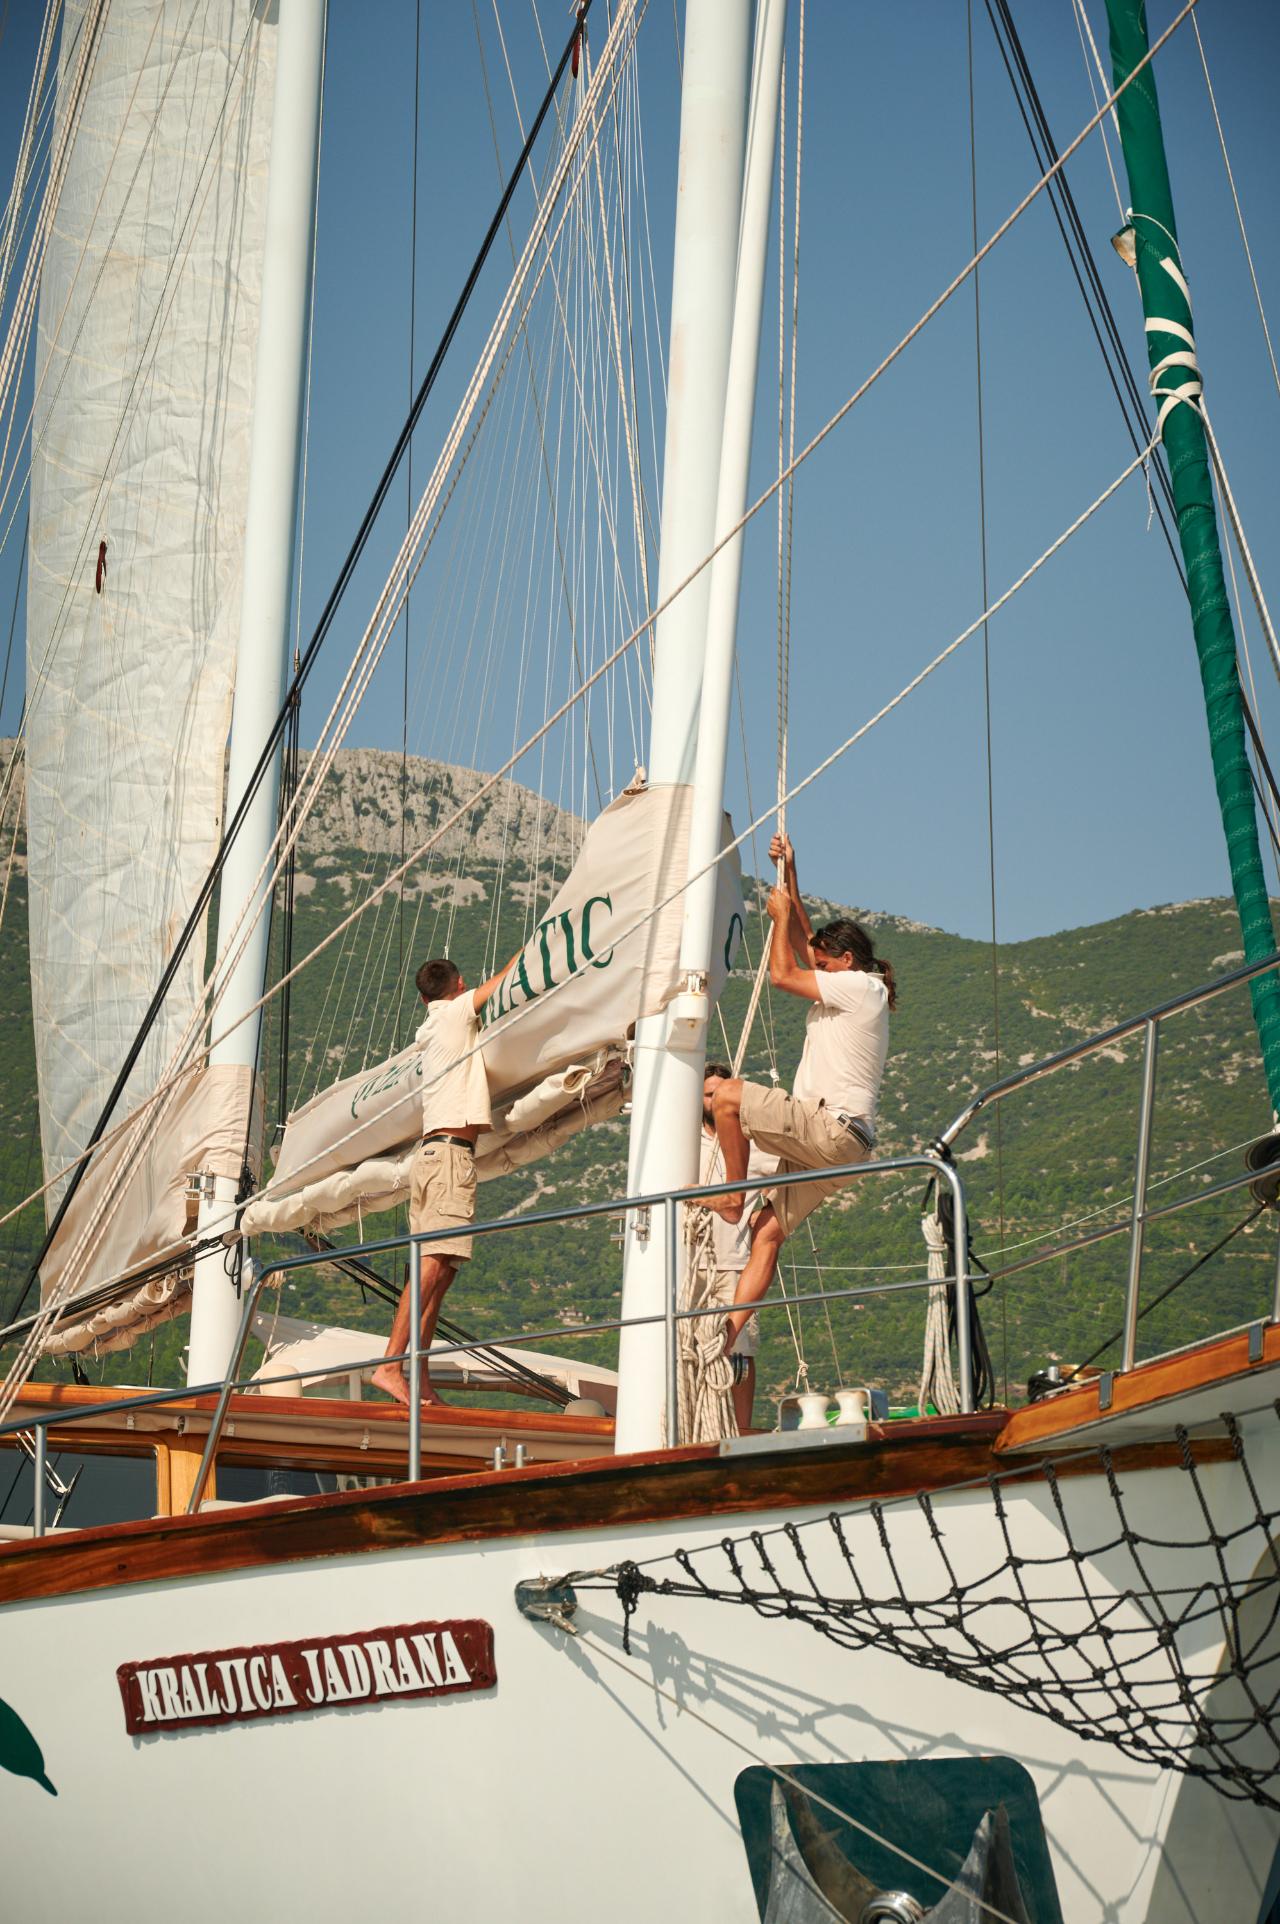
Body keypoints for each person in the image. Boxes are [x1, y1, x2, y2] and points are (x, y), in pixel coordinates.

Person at [710, 832, 895, 1358]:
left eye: (825, 961)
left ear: (845, 959)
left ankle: (729, 1194)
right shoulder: (854, 983)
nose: (819, 968)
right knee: (767, 1233)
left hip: (829, 1127)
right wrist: (790, 872)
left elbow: (783, 972)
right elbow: (807, 942)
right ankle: (726, 1335)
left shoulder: (861, 987)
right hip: (841, 1146)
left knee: (726, 1097)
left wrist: (775, 919)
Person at [371, 947, 518, 1409]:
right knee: (431, 1268)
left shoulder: (434, 1024)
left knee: (441, 1274)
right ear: (458, 987)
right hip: (449, 1159)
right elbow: (506, 977)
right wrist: (534, 941)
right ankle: (390, 1367)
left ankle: (418, 1377)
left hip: (438, 1157)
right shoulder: (455, 1014)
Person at [695, 1064, 778, 1429]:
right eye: (707, 1094)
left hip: (735, 1262)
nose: (713, 1101)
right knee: (690, 1348)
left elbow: (785, 1179)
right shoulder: (682, 1140)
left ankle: (741, 1428)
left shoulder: (754, 1145)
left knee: (739, 1353)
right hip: (689, 1262)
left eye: (718, 1094)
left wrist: (768, 1217)